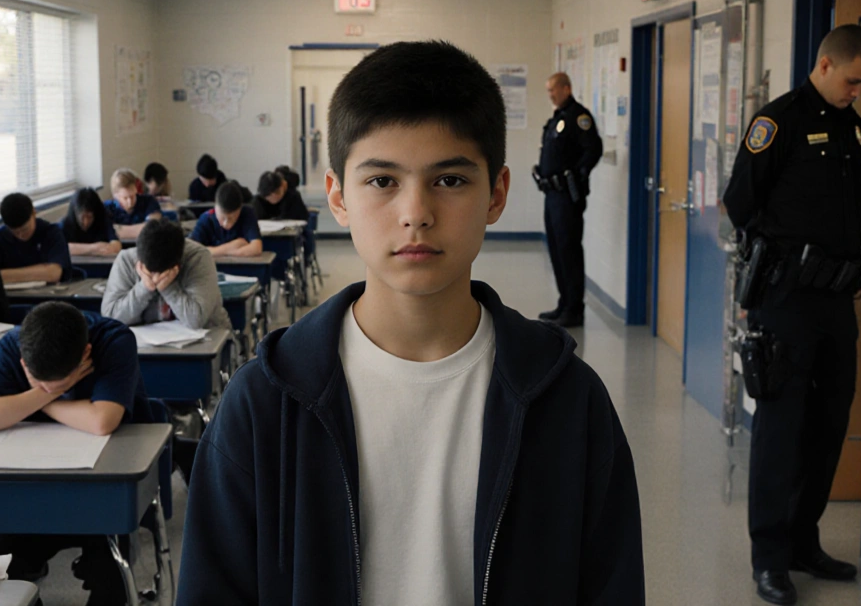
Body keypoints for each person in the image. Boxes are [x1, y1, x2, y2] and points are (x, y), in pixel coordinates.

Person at [175, 40, 644, 605]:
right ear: (338, 197)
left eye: (450, 180)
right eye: (382, 181)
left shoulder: (569, 401)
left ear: (496, 194)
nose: (415, 212)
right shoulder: (263, 404)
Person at [722, 24, 861, 606]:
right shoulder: (779, 121)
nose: (856, 92)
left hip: (835, 299)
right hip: (784, 299)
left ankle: (803, 540)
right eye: (852, 80)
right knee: (781, 426)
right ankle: (769, 558)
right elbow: (739, 201)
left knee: (830, 418)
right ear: (824, 64)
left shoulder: (853, 130)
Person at [0, 301, 151, 605]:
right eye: (37, 381)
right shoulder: (14, 343)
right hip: (34, 495)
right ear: (24, 361)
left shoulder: (114, 339)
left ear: (85, 355)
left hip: (105, 495)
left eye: (56, 385)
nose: (46, 389)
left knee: (111, 577)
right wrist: (48, 393)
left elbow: (101, 420)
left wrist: (28, 402)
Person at [534, 72, 603, 329]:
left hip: (567, 196)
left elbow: (593, 149)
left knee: (569, 250)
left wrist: (577, 173)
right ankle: (564, 303)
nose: (551, 94)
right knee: (556, 249)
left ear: (566, 88)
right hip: (551, 195)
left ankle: (575, 309)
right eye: (548, 90)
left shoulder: (578, 117)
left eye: (553, 89)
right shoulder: (558, 117)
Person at [101, 218, 231, 330]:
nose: (156, 278)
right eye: (151, 273)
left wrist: (168, 287)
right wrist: (144, 288)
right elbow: (110, 318)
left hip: (207, 344)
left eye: (161, 274)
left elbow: (196, 319)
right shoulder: (127, 260)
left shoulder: (199, 257)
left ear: (177, 266)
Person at [0, 192, 72, 284]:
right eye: (15, 232)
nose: (20, 235)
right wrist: (41, 270)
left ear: (34, 213)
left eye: (25, 230)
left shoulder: (51, 232)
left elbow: (54, 273)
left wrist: (2, 275)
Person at [187, 183, 263, 257]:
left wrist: (216, 251)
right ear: (215, 207)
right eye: (222, 218)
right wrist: (230, 247)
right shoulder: (206, 219)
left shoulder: (247, 213)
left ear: (240, 209)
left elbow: (256, 248)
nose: (226, 223)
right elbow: (192, 251)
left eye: (231, 218)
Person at [60, 187, 122, 257]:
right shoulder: (65, 224)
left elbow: (116, 245)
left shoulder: (103, 221)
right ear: (75, 214)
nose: (86, 222)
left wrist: (79, 249)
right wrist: (94, 248)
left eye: (90, 217)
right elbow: (60, 247)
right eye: (82, 217)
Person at [106, 168, 162, 241]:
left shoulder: (149, 201)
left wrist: (117, 229)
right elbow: (104, 231)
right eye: (125, 198)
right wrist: (142, 227)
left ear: (136, 189)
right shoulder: (107, 208)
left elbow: (152, 227)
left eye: (132, 196)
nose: (130, 201)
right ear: (115, 195)